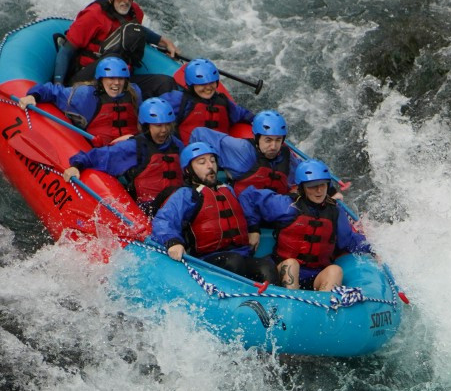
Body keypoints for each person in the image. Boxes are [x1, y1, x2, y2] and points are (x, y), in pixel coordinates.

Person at [150, 142, 296, 283]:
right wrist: (173, 242)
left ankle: (270, 305)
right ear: (188, 170)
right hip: (207, 260)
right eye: (202, 162)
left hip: (241, 254)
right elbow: (164, 220)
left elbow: (249, 204)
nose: (210, 166)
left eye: (212, 161)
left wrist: (253, 228)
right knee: (234, 262)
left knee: (267, 267)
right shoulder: (187, 194)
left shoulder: (228, 190)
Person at [63, 97, 184, 215]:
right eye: (158, 126)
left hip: (177, 206)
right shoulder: (133, 147)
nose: (164, 130)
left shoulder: (177, 145)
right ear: (146, 126)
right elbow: (97, 156)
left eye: (167, 125)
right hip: (148, 210)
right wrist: (77, 165)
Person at [56, 0, 179, 84]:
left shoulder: (135, 11)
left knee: (165, 83)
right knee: (113, 57)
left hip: (121, 80)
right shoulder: (93, 15)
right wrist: (58, 84)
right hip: (89, 79)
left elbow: (139, 31)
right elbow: (66, 51)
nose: (126, 1)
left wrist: (164, 42)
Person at [274, 159, 374, 291]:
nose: (319, 190)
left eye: (323, 185)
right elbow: (250, 198)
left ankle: (323, 308)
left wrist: (373, 247)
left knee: (335, 270)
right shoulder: (286, 205)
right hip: (284, 270)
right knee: (292, 264)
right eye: (312, 186)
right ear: (302, 188)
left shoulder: (335, 211)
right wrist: (254, 229)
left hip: (316, 275)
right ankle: (291, 304)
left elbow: (348, 241)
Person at [21, 56, 140, 146]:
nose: (117, 83)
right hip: (102, 152)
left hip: (132, 148)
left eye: (120, 78)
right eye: (111, 78)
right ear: (101, 80)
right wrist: (34, 95)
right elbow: (54, 91)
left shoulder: (134, 92)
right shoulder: (85, 95)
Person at [162, 59, 255, 139]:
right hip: (191, 153)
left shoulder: (223, 102)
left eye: (211, 83)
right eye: (202, 84)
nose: (208, 88)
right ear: (191, 84)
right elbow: (156, 110)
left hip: (217, 153)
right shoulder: (179, 100)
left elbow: (242, 114)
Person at [232, 110, 295, 193]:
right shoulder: (241, 149)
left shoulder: (287, 155)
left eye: (278, 140)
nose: (273, 147)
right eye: (268, 140)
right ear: (256, 138)